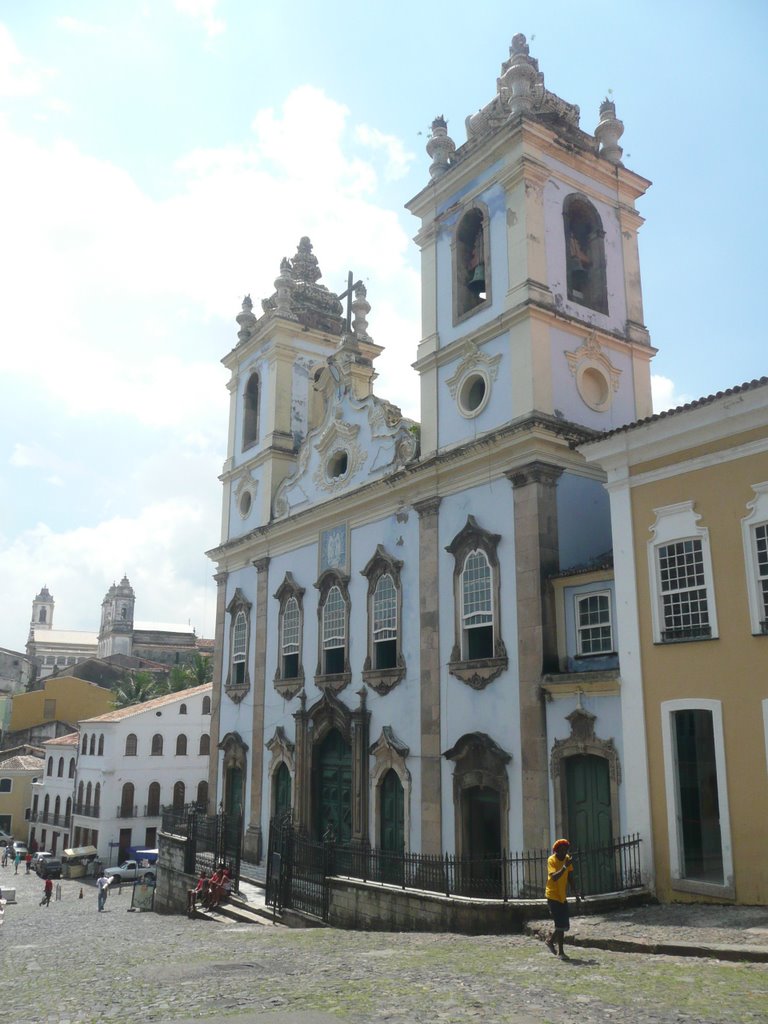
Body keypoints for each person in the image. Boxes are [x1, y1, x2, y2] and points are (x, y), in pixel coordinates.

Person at [544, 838, 581, 959]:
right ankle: (561, 952)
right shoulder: (551, 860)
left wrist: (576, 893)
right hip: (552, 895)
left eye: (566, 849)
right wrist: (564, 866)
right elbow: (554, 877)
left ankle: (550, 941)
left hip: (562, 896)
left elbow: (570, 877)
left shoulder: (567, 860)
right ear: (556, 850)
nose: (564, 852)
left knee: (563, 924)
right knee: (560, 922)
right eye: (562, 849)